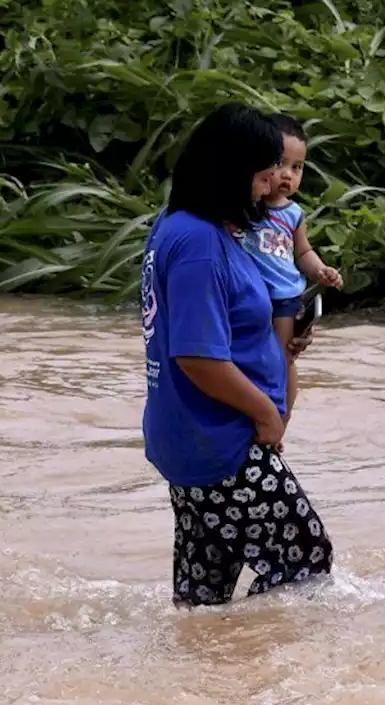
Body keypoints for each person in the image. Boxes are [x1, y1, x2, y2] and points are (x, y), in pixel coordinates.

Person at [139, 102, 335, 608]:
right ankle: (279, 682)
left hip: (191, 437)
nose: (272, 185)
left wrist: (281, 343)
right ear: (231, 172)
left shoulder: (183, 224)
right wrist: (267, 414)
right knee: (305, 560)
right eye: (264, 173)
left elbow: (220, 323)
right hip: (223, 442)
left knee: (204, 599)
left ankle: (213, 680)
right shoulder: (200, 243)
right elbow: (198, 357)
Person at [230, 113, 343, 420]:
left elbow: (303, 251)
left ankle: (281, 417)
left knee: (282, 359)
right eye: (280, 164)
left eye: (297, 167)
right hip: (251, 293)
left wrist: (320, 271)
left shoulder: (293, 214)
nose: (288, 175)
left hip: (283, 298)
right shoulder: (247, 206)